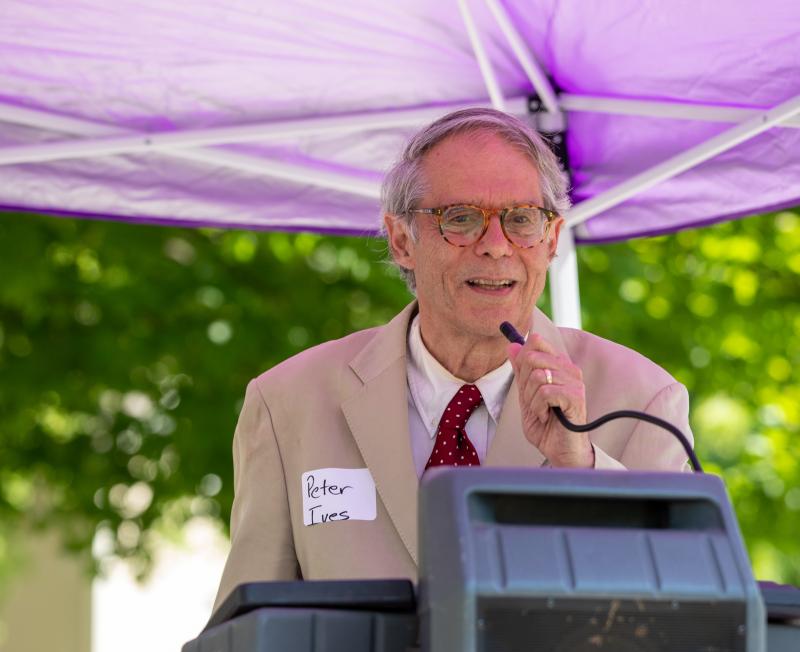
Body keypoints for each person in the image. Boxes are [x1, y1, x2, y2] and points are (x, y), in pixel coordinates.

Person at [213, 108, 692, 607]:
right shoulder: (287, 403)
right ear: (402, 241)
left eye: (521, 220)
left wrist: (582, 466)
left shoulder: (643, 401)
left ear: (550, 240)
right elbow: (242, 641)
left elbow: (680, 625)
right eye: (460, 219)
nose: (495, 246)